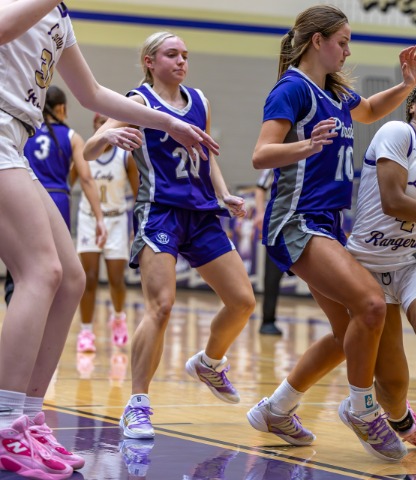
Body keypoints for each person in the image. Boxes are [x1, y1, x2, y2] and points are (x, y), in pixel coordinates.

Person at [0, 3, 218, 478]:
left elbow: (93, 93)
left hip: (15, 142)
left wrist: (168, 122)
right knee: (41, 271)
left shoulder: (59, 17)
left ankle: (30, 418)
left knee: (71, 279)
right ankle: (3, 421)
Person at [249, 77, 416, 472]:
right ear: (413, 105)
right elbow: (393, 202)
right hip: (370, 265)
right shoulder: (396, 133)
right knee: (392, 384)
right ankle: (400, 419)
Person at [247, 4, 416, 461]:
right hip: (296, 219)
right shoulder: (292, 89)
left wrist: (406, 86)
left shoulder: (336, 92)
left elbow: (369, 111)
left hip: (325, 221)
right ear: (317, 41)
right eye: (342, 42)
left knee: (347, 332)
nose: (347, 51)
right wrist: (307, 145)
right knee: (371, 305)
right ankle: (362, 410)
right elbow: (261, 154)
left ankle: (276, 409)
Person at [83, 31, 256, 441]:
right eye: (171, 54)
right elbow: (89, 150)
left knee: (243, 301)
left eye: (185, 55)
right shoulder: (138, 102)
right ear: (149, 61)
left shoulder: (200, 101)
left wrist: (223, 193)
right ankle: (137, 405)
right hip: (159, 211)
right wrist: (106, 136)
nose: (181, 61)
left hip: (202, 213)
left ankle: (209, 363)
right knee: (161, 306)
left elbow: (206, 154)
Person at [4, 85, 107, 305]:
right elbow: (86, 179)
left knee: (20, 270)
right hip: (58, 201)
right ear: (61, 108)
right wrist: (99, 217)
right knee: (55, 269)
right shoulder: (72, 137)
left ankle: (16, 309)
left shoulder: (25, 132)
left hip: (25, 196)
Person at [76, 112, 139, 354]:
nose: (104, 126)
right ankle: (86, 331)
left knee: (116, 278)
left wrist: (137, 227)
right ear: (94, 126)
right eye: (99, 123)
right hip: (89, 220)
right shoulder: (84, 154)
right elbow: (66, 181)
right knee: (89, 277)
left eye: (107, 122)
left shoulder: (125, 156)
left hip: (116, 220)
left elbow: (138, 194)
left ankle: (119, 318)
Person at [254, 169, 284, 336]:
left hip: (307, 221)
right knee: (272, 276)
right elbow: (260, 187)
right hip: (278, 224)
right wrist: (259, 213)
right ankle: (268, 320)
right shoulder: (276, 161)